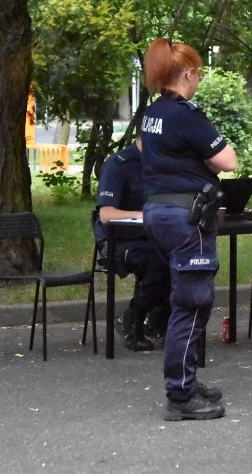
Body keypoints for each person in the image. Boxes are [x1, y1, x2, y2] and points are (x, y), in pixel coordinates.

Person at [140, 37, 237, 421]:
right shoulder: (186, 114)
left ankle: (187, 379)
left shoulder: (152, 113)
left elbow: (149, 151)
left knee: (185, 298)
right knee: (193, 304)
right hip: (187, 220)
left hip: (157, 214)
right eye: (197, 73)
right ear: (188, 73)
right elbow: (227, 160)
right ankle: (179, 395)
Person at [95, 136, 171, 352]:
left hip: (157, 238)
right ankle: (131, 319)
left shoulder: (163, 165)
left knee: (197, 259)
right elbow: (106, 214)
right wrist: (145, 214)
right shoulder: (118, 165)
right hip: (121, 241)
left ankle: (158, 319)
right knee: (160, 264)